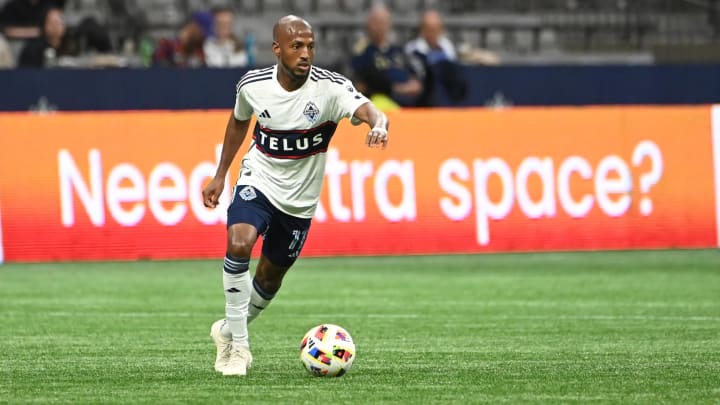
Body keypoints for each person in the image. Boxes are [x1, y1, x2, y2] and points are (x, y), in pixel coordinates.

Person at [202, 14, 389, 377]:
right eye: (296, 46)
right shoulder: (252, 85)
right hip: (259, 180)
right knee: (239, 242)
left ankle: (226, 331)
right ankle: (238, 349)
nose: (305, 53)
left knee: (270, 279)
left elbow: (370, 111)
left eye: (310, 46)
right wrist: (220, 174)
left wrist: (379, 125)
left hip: (300, 201)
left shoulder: (330, 88)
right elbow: (239, 121)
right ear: (277, 50)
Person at [350, 4, 421, 108]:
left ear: (389, 24)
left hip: (408, 103)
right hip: (380, 103)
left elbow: (417, 84)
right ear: (368, 24)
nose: (380, 26)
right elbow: (360, 86)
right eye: (376, 22)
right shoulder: (362, 53)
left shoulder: (399, 51)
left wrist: (401, 88)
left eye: (383, 22)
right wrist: (392, 88)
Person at [404, 10, 467, 106]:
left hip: (446, 95)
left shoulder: (447, 46)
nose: (432, 33)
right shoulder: (413, 49)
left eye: (435, 29)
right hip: (423, 98)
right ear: (422, 30)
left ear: (441, 29)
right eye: (429, 29)